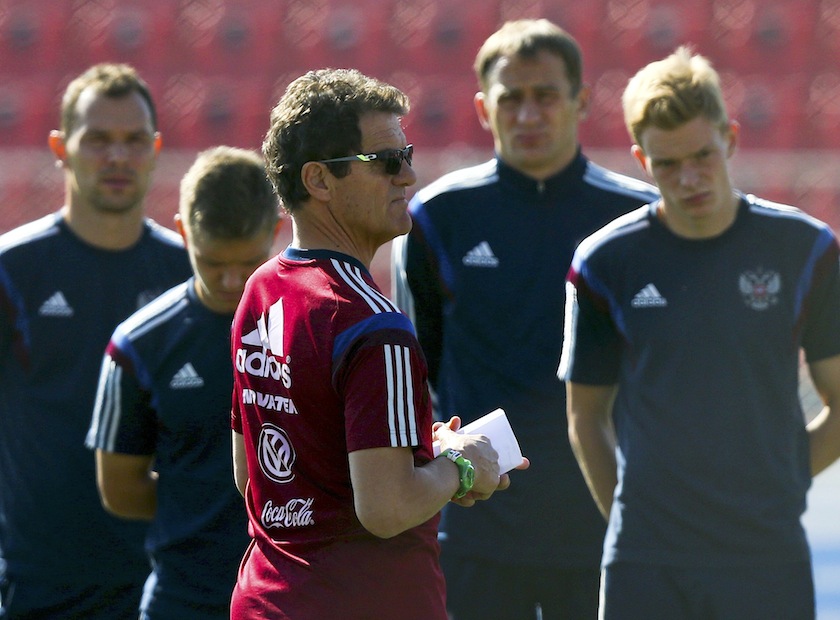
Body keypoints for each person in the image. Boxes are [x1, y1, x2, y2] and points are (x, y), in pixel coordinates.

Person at [229, 68, 525, 620]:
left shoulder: (262, 289)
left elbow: (251, 474)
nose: (408, 176)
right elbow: (386, 509)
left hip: (265, 600)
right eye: (387, 161)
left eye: (407, 155)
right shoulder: (374, 323)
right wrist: (461, 467)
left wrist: (409, 449)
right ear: (319, 180)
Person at [561, 46, 840, 620]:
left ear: (730, 138)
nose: (689, 178)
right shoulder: (603, 262)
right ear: (642, 159)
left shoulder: (806, 249)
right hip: (646, 556)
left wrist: (783, 479)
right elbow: (585, 415)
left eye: (702, 155)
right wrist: (628, 518)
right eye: (667, 164)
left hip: (765, 550)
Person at [392, 18, 657, 619]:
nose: (529, 114)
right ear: (485, 109)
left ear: (583, 101)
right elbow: (417, 370)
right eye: (512, 99)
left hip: (605, 521)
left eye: (546, 96)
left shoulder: (638, 217)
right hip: (476, 525)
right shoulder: (437, 217)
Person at [0, 63, 192, 618]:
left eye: (134, 141)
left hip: (163, 579)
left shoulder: (188, 276)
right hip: (40, 583)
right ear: (61, 147)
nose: (117, 157)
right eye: (98, 140)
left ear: (156, 149)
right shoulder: (14, 271)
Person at [85, 146, 281, 619]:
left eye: (248, 260)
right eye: (213, 262)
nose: (233, 279)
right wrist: (196, 509)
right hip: (184, 600)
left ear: (276, 231)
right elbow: (120, 487)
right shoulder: (138, 345)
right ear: (182, 232)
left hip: (291, 599)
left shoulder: (319, 325)